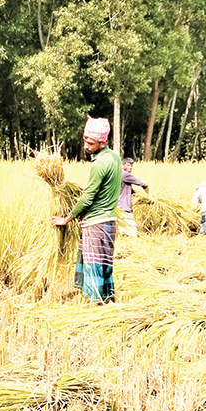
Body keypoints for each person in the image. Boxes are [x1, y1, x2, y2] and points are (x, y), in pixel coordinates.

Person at [51, 116, 120, 304]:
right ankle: (107, 301)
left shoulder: (99, 164)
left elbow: (88, 198)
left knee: (93, 266)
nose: (85, 146)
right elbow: (102, 187)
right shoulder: (114, 157)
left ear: (102, 142)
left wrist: (66, 218)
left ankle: (94, 304)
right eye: (85, 141)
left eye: (90, 143)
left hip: (95, 223)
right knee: (104, 265)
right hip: (109, 222)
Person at [119, 157, 149, 237]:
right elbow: (139, 182)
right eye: (128, 165)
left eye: (131, 165)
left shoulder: (118, 173)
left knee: (122, 229)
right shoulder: (125, 175)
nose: (130, 167)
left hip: (119, 206)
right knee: (131, 229)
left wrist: (135, 193)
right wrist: (146, 189)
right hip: (124, 206)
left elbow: (125, 188)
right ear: (123, 165)